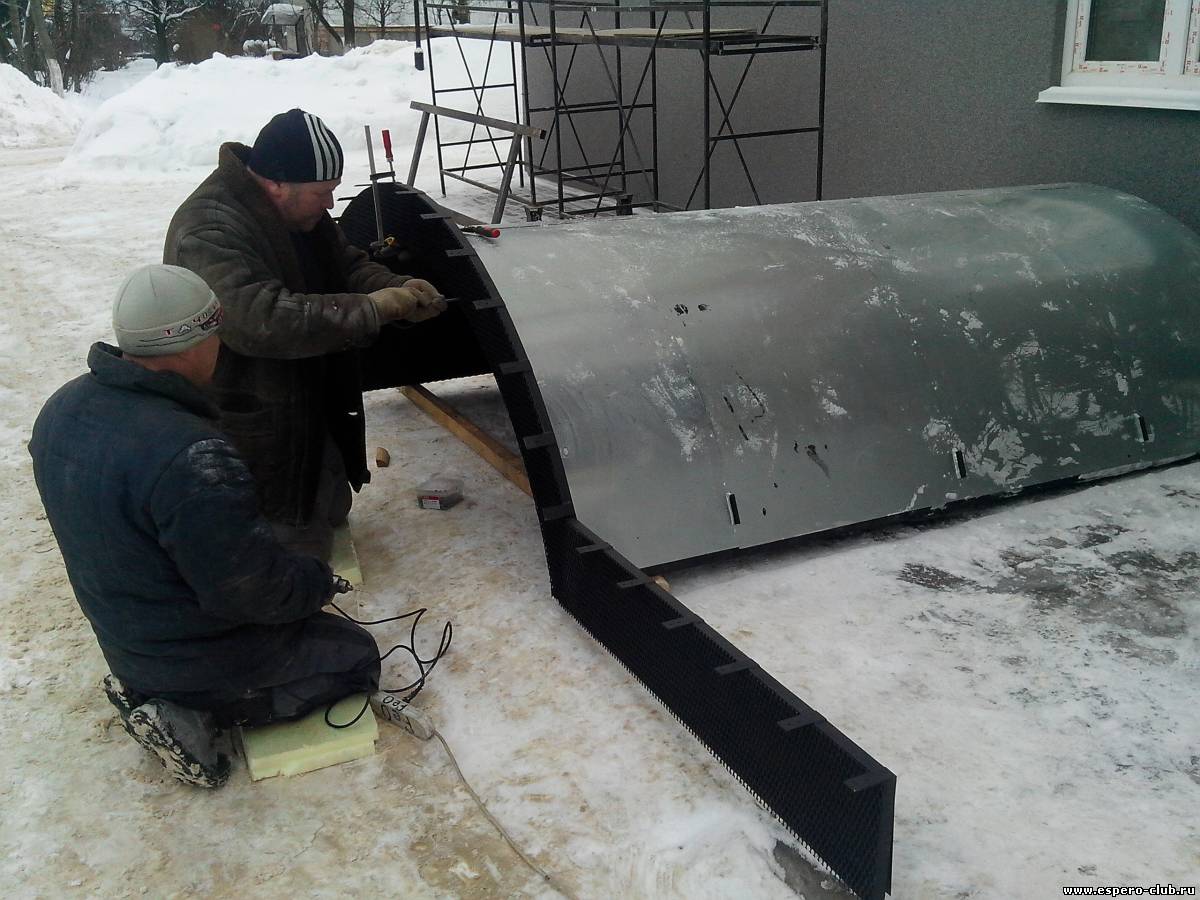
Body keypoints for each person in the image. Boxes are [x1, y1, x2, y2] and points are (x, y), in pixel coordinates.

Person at [29, 265, 382, 788]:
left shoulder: (62, 408)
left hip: (126, 633)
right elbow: (249, 594)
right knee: (354, 655)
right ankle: (191, 714)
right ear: (196, 342)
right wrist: (314, 582)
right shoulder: (189, 454)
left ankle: (159, 687)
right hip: (195, 654)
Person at [163, 108, 450, 560]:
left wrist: (397, 288)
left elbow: (346, 265)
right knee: (285, 544)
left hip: (306, 402)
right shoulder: (209, 228)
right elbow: (261, 320)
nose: (331, 204)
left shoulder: (298, 214)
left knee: (329, 510)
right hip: (251, 418)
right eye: (323, 193)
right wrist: (373, 309)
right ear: (278, 184)